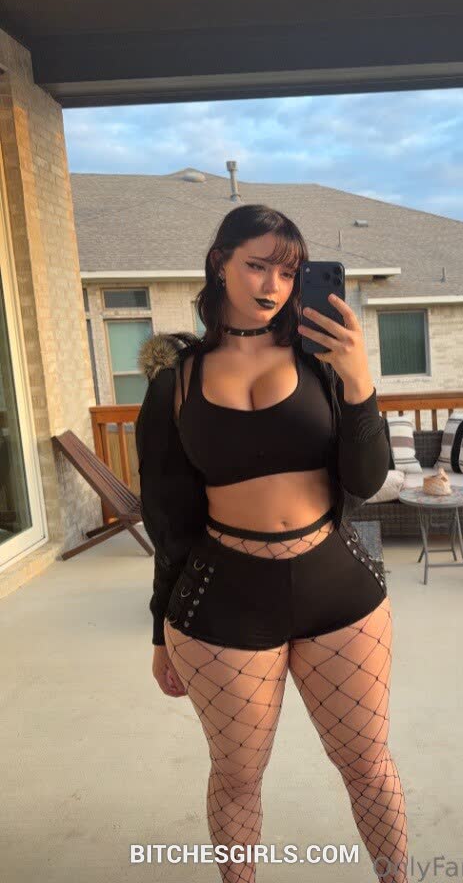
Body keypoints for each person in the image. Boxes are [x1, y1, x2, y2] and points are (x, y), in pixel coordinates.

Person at [135, 204, 409, 883]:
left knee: (368, 765)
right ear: (219, 263)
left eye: (288, 272)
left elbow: (366, 481)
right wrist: (161, 630)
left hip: (336, 589)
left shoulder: (322, 363)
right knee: (236, 777)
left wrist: (360, 381)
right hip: (224, 597)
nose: (272, 286)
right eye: (257, 266)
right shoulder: (176, 382)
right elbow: (168, 518)